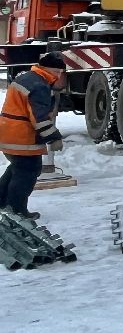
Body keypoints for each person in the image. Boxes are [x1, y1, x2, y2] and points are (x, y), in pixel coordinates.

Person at [0, 52, 66, 219]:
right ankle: (16, 212)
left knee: (18, 168)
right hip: (22, 137)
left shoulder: (27, 77)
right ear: (49, 70)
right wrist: (54, 138)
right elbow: (40, 118)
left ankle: (2, 203)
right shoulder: (40, 85)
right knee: (28, 171)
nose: (59, 76)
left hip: (9, 132)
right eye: (57, 72)